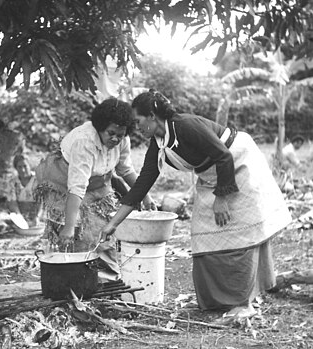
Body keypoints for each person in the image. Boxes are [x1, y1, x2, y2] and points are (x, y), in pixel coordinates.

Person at [100, 89, 292, 317]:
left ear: (152, 115)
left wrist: (222, 198)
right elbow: (142, 184)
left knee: (241, 233)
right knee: (204, 233)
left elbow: (224, 156)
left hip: (238, 164)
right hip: (213, 174)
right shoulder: (158, 142)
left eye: (139, 120)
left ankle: (243, 303)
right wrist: (113, 224)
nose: (137, 127)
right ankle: (218, 301)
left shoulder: (185, 125)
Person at [35, 97, 156, 274]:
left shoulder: (123, 140)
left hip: (99, 181)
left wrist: (146, 197)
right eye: (111, 133)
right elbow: (77, 187)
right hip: (64, 180)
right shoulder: (84, 141)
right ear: (100, 128)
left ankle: (105, 277)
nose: (115, 138)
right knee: (78, 232)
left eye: (120, 135)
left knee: (104, 229)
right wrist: (69, 226)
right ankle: (77, 277)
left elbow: (126, 170)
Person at [0, 153, 43, 232]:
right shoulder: (12, 182)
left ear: (29, 166)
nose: (23, 170)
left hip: (35, 213)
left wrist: (37, 217)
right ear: (16, 168)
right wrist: (20, 219)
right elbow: (12, 203)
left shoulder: (38, 180)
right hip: (19, 213)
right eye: (19, 167)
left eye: (25, 166)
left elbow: (42, 201)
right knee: (1, 217)